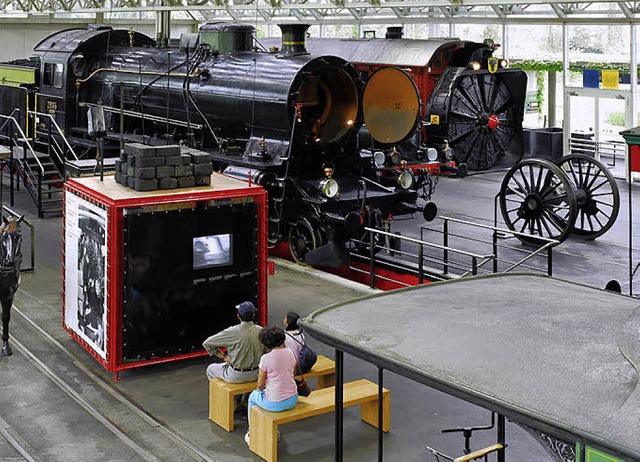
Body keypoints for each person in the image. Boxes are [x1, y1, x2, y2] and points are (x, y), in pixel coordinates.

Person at [245, 326, 298, 446]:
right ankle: (274, 431)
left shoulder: (266, 358)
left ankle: (252, 431)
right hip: (293, 398)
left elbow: (260, 384)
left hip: (275, 402)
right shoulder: (291, 353)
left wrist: (260, 390)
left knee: (253, 397)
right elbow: (292, 373)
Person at [203, 301, 263, 385]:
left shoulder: (231, 332)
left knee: (210, 369)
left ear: (238, 315)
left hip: (236, 375)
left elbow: (207, 343)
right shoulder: (261, 331)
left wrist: (223, 356)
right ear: (253, 315)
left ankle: (221, 397)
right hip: (257, 373)